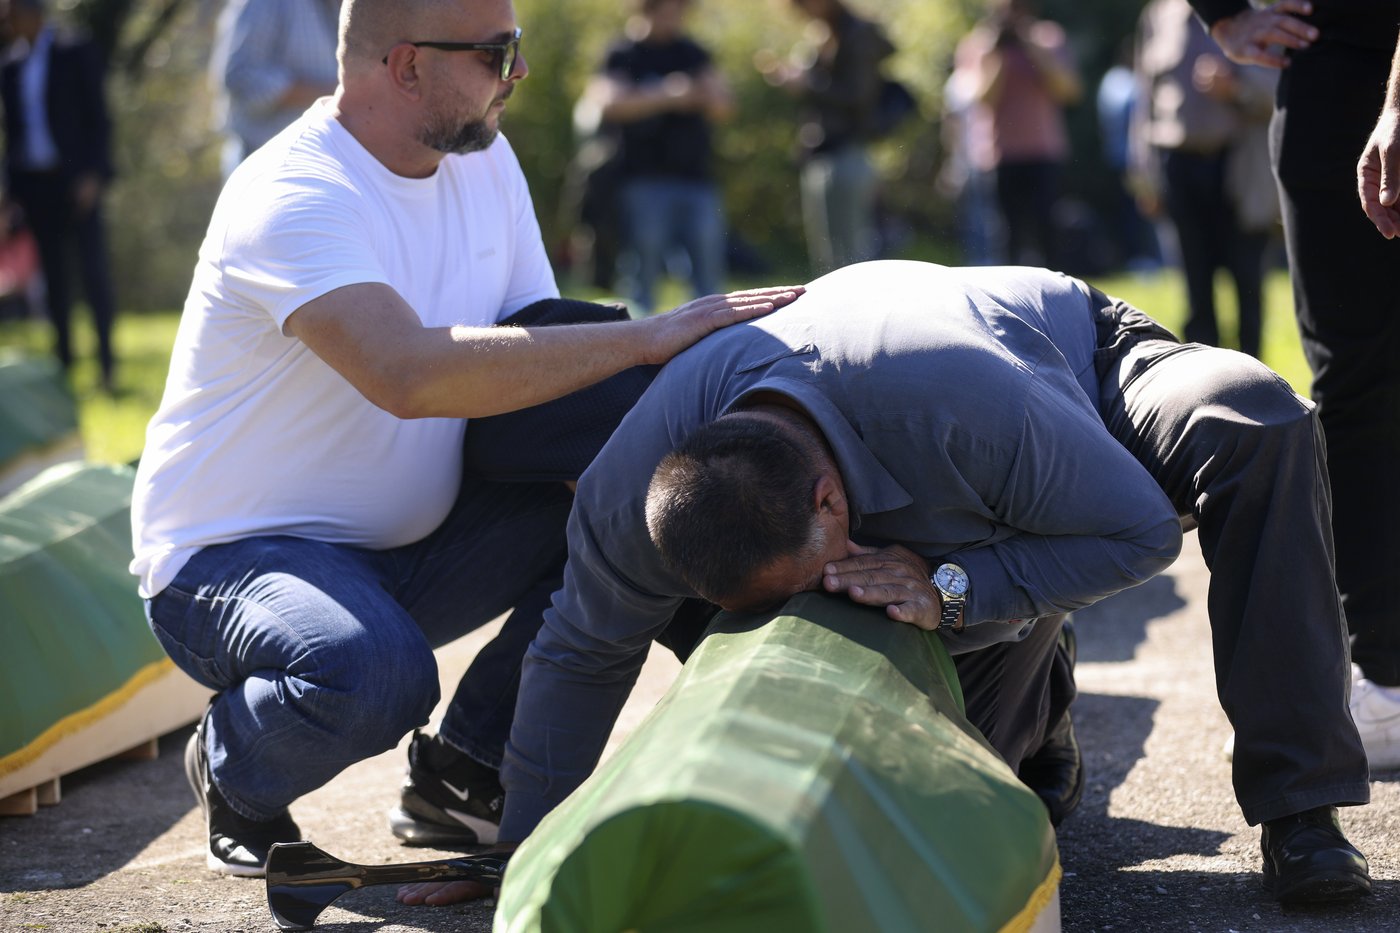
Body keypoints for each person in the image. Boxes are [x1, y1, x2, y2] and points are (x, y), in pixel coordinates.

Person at [396, 259, 1374, 910]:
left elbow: (1133, 532)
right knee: (965, 795)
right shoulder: (628, 494)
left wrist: (950, 586)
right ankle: (1036, 692)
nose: (818, 600)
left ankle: (1300, 808)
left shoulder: (965, 404)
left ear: (828, 501)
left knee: (1253, 420)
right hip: (943, 461)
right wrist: (526, 867)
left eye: (813, 575)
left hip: (1067, 369)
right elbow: (577, 654)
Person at [129, 0, 798, 879]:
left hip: (417, 541)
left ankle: (466, 773)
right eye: (495, 53)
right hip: (233, 556)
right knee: (371, 674)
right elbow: (406, 372)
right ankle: (234, 761)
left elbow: (533, 361)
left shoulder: (482, 158)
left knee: (629, 518)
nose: (516, 73)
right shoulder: (293, 193)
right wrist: (647, 336)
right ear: (405, 66)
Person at [1189, 0, 1400, 769]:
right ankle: (1386, 673)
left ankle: (1386, 677)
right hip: (1337, 67)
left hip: (1361, 74)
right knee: (1363, 379)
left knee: (1362, 380)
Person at [1131, 0, 1277, 358]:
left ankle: (1255, 378)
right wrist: (1143, 174)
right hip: (1177, 166)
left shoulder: (1252, 14)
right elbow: (1144, 102)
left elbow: (1277, 93)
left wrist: (1236, 88)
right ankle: (1206, 385)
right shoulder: (1157, 16)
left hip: (1236, 169)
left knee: (1246, 280)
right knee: (1195, 283)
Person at [581, 0, 731, 315]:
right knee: (641, 272)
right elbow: (608, 104)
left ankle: (710, 337)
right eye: (669, 9)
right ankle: (637, 342)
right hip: (641, 181)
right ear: (647, 9)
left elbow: (723, 106)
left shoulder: (693, 53)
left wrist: (700, 94)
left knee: (708, 273)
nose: (675, 17)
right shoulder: (622, 53)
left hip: (695, 179)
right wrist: (666, 95)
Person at [0, 0, 118, 391]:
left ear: (30, 12)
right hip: (36, 186)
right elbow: (13, 135)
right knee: (54, 280)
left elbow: (98, 117)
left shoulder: (75, 50)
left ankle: (106, 366)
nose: (5, 21)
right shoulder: (10, 65)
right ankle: (64, 368)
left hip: (76, 182)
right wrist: (11, 195)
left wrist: (93, 175)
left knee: (93, 274)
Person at [756, 0, 893, 275]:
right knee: (827, 258)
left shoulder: (858, 34)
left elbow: (858, 96)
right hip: (820, 152)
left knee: (852, 255)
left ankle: (861, 315)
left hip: (848, 152)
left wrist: (809, 85)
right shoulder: (822, 34)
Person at [954, 0, 1081, 267]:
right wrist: (999, 57)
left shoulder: (1048, 37)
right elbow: (981, 100)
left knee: (1048, 231)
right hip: (998, 155)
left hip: (1043, 151)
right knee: (1006, 237)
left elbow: (1068, 91)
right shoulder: (979, 45)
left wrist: (1031, 47)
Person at [208, 0, 342, 176]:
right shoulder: (267, 3)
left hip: (324, 162)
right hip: (260, 161)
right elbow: (240, 75)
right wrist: (334, 96)